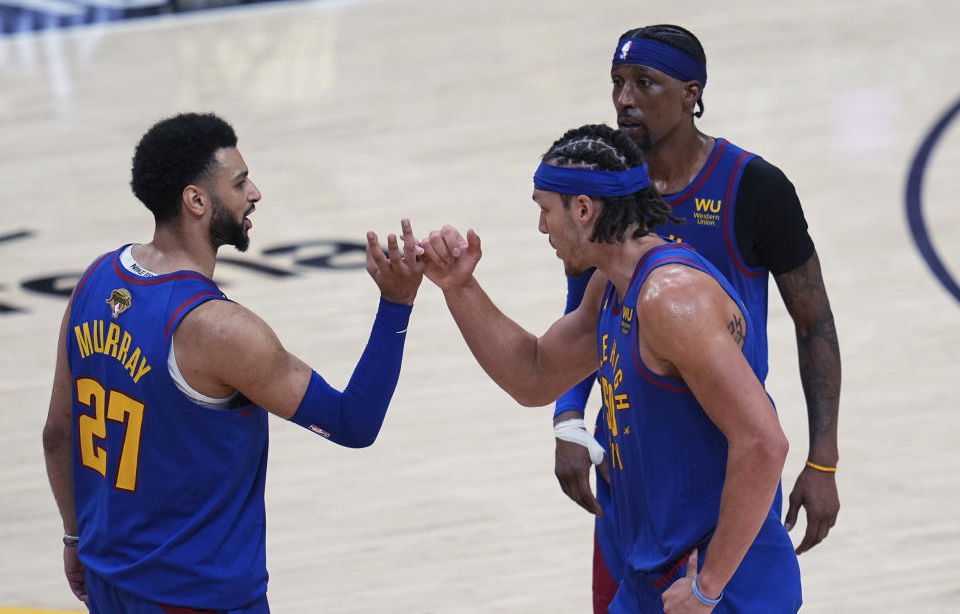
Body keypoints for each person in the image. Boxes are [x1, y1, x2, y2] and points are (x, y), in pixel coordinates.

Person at [41, 112, 425, 613]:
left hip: (108, 580)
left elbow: (57, 433)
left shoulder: (95, 280)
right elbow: (353, 422)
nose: (255, 193)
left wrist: (74, 538)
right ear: (196, 201)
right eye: (240, 182)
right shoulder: (220, 330)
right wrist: (396, 306)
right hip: (196, 596)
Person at [420, 123, 802, 612]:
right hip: (655, 573)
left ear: (582, 210)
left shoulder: (671, 300)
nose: (542, 228)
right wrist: (459, 287)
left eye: (544, 209)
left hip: (724, 584)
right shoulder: (612, 288)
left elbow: (765, 442)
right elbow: (535, 375)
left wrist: (710, 585)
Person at [550, 25, 841, 611]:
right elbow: (583, 320)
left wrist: (823, 459)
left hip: (718, 448)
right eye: (617, 83)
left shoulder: (755, 187)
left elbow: (814, 326)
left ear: (691, 93)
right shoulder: (605, 184)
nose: (624, 99)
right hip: (632, 454)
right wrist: (568, 417)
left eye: (643, 83)